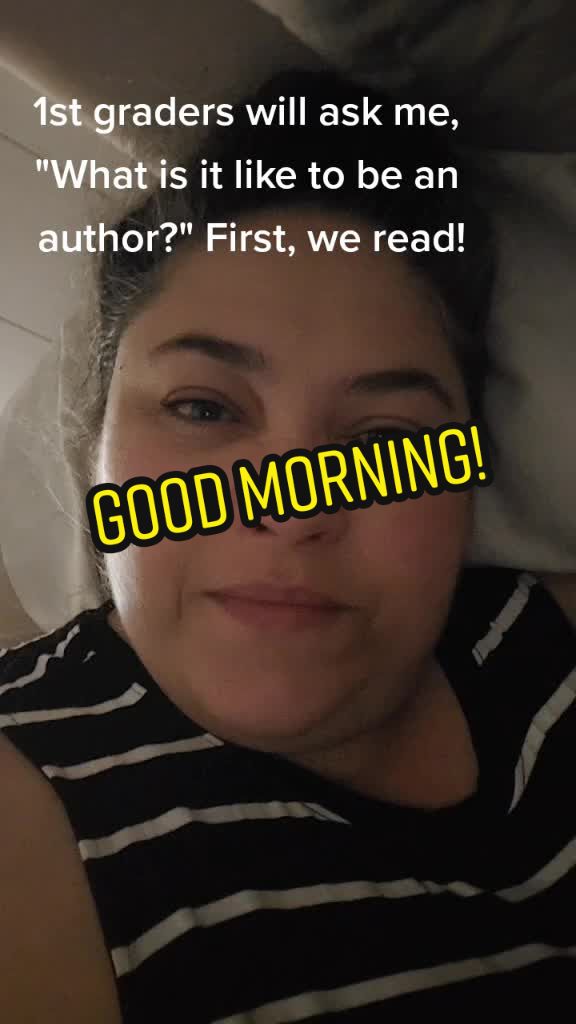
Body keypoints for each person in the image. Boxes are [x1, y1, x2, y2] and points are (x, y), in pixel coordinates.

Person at [1, 69, 575, 1023]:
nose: (291, 508)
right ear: (94, 449)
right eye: (202, 408)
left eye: (385, 441)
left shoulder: (534, 640)